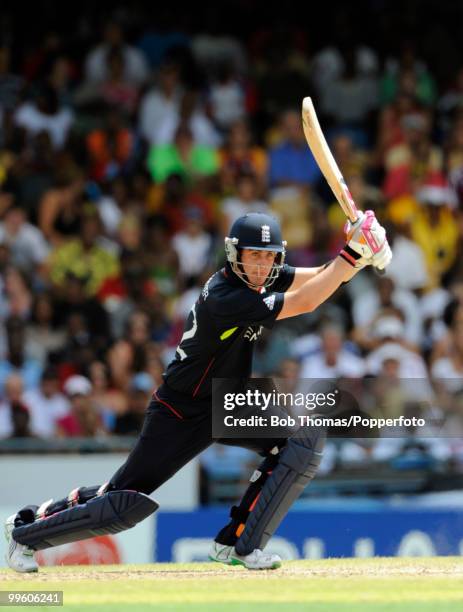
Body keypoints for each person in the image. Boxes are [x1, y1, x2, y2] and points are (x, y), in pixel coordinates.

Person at [5, 211, 391, 572]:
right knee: (120, 503)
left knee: (301, 442)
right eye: (252, 257)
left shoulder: (260, 277)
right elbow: (307, 300)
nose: (260, 267)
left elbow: (316, 276)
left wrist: (355, 257)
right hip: (181, 411)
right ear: (233, 256)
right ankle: (24, 533)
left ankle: (239, 545)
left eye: (268, 259)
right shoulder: (228, 296)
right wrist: (353, 254)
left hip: (229, 401)